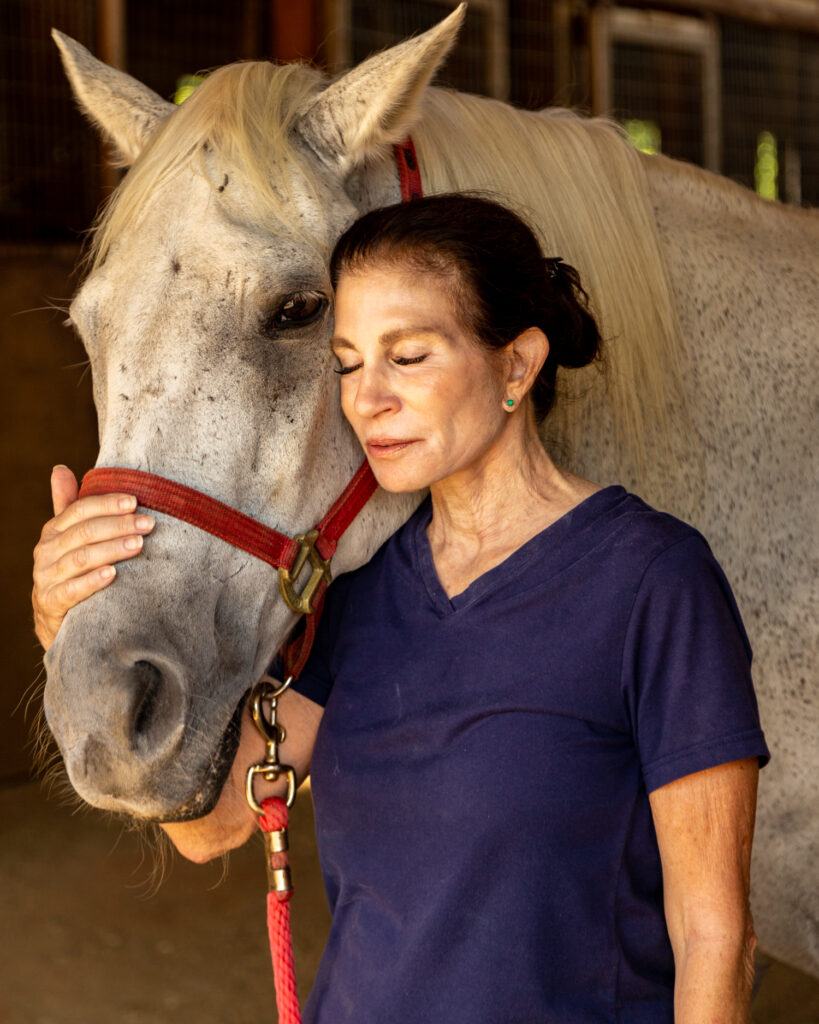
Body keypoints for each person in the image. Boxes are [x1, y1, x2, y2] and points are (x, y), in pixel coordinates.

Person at [33, 194, 769, 1023]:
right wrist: (75, 618)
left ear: (518, 366)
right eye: (346, 363)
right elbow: (212, 827)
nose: (365, 399)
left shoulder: (652, 583)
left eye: (408, 356)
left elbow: (713, 934)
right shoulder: (360, 591)